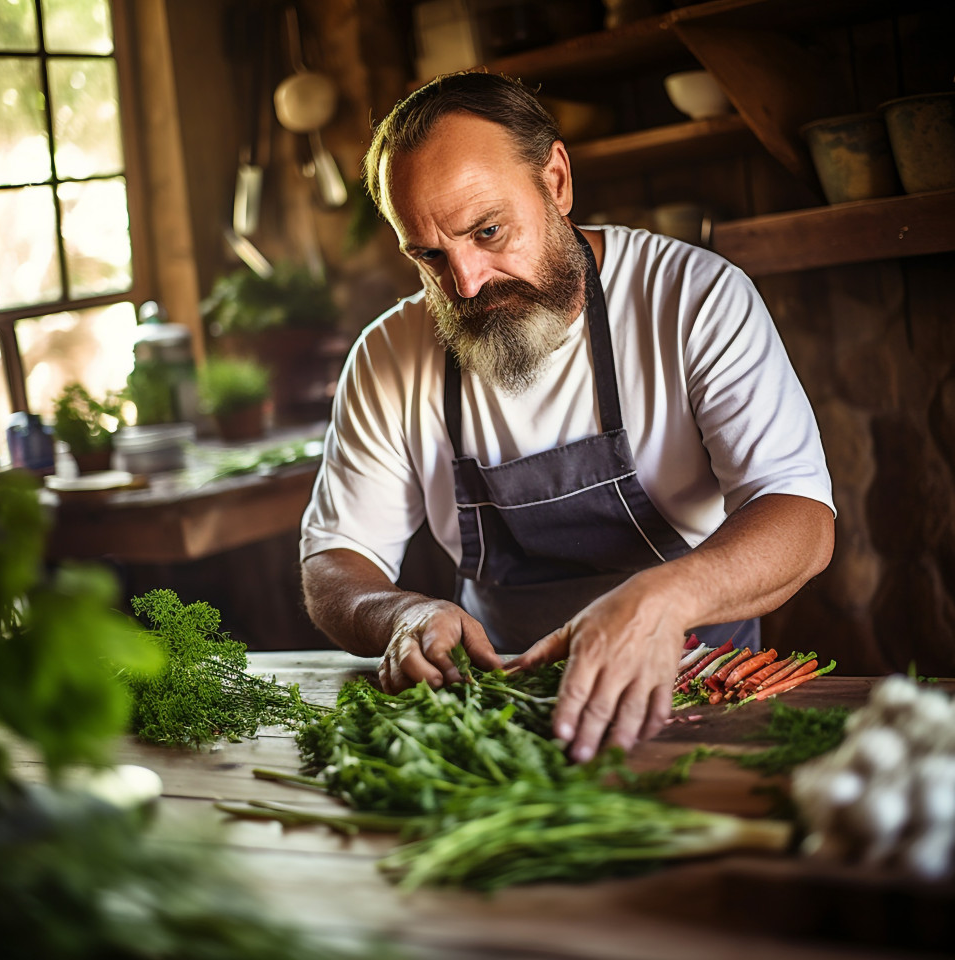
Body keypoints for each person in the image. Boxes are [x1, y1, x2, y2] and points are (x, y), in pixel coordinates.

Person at [300, 71, 835, 762]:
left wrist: (660, 603)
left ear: (555, 180)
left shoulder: (693, 298)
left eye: (488, 231)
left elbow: (799, 517)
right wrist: (399, 615)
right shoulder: (386, 356)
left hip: (695, 685)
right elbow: (335, 561)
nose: (464, 282)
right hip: (498, 707)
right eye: (429, 255)